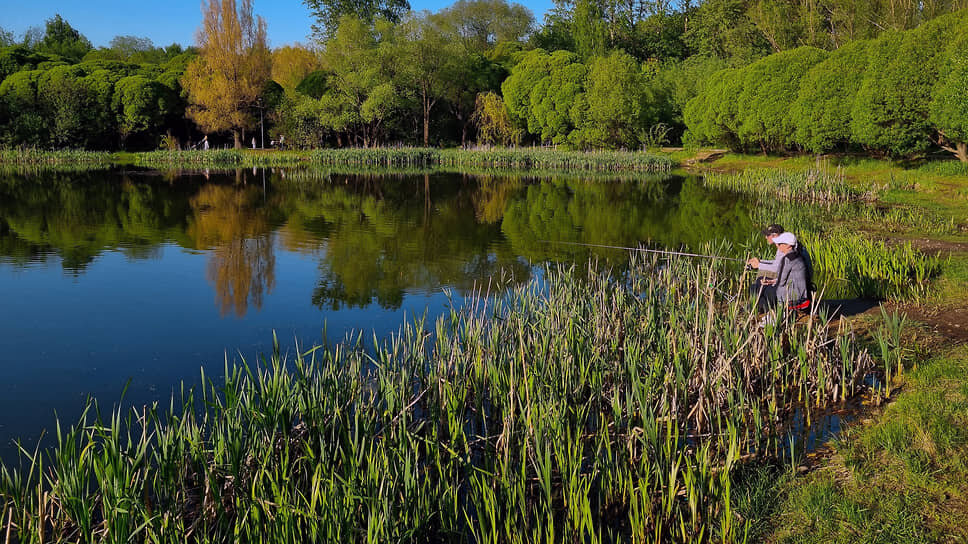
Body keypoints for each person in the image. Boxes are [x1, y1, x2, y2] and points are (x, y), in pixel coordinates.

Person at [754, 232, 811, 317]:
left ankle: (766, 309)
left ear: (788, 246)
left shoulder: (787, 259)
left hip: (791, 297)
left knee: (757, 287)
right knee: (762, 285)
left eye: (780, 244)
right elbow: (790, 278)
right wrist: (772, 281)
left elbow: (781, 283)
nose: (777, 245)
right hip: (800, 294)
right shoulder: (798, 256)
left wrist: (771, 285)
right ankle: (762, 307)